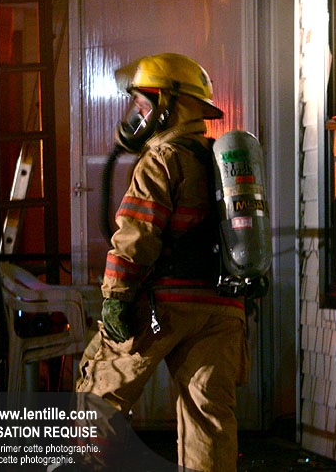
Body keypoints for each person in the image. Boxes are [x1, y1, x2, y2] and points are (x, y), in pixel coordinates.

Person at [74, 53, 250, 472]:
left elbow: (137, 234)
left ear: (170, 104)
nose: (137, 114)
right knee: (208, 419)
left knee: (98, 398)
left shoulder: (163, 158)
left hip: (162, 306)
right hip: (222, 308)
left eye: (143, 103)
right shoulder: (220, 160)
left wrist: (116, 297)